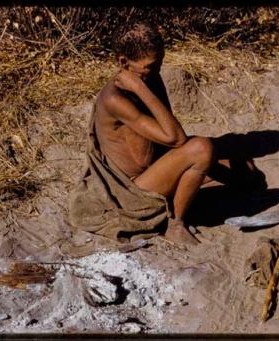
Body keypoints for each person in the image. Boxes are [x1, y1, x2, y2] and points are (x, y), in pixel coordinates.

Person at [93, 21, 265, 245]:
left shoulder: (151, 77)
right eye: (151, 66)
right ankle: (176, 224)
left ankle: (185, 194)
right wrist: (140, 89)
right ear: (123, 62)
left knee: (243, 169)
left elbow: (169, 129)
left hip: (156, 165)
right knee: (202, 149)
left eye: (160, 63)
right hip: (133, 190)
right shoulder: (115, 98)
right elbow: (177, 138)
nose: (157, 70)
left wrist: (146, 85)